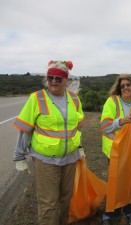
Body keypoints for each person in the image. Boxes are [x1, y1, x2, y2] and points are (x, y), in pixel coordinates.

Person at [13, 60, 86, 225]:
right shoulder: (37, 98)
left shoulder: (74, 99)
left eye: (58, 79)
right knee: (49, 203)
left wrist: (79, 147)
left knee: (65, 200)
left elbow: (76, 127)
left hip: (70, 158)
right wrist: (19, 156)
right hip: (46, 160)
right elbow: (25, 128)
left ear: (66, 81)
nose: (53, 81)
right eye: (50, 77)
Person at [100, 74, 131, 225]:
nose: (126, 88)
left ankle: (129, 212)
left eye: (128, 85)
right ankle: (110, 214)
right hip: (116, 149)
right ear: (119, 88)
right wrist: (122, 121)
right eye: (122, 86)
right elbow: (104, 126)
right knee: (115, 182)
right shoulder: (112, 101)